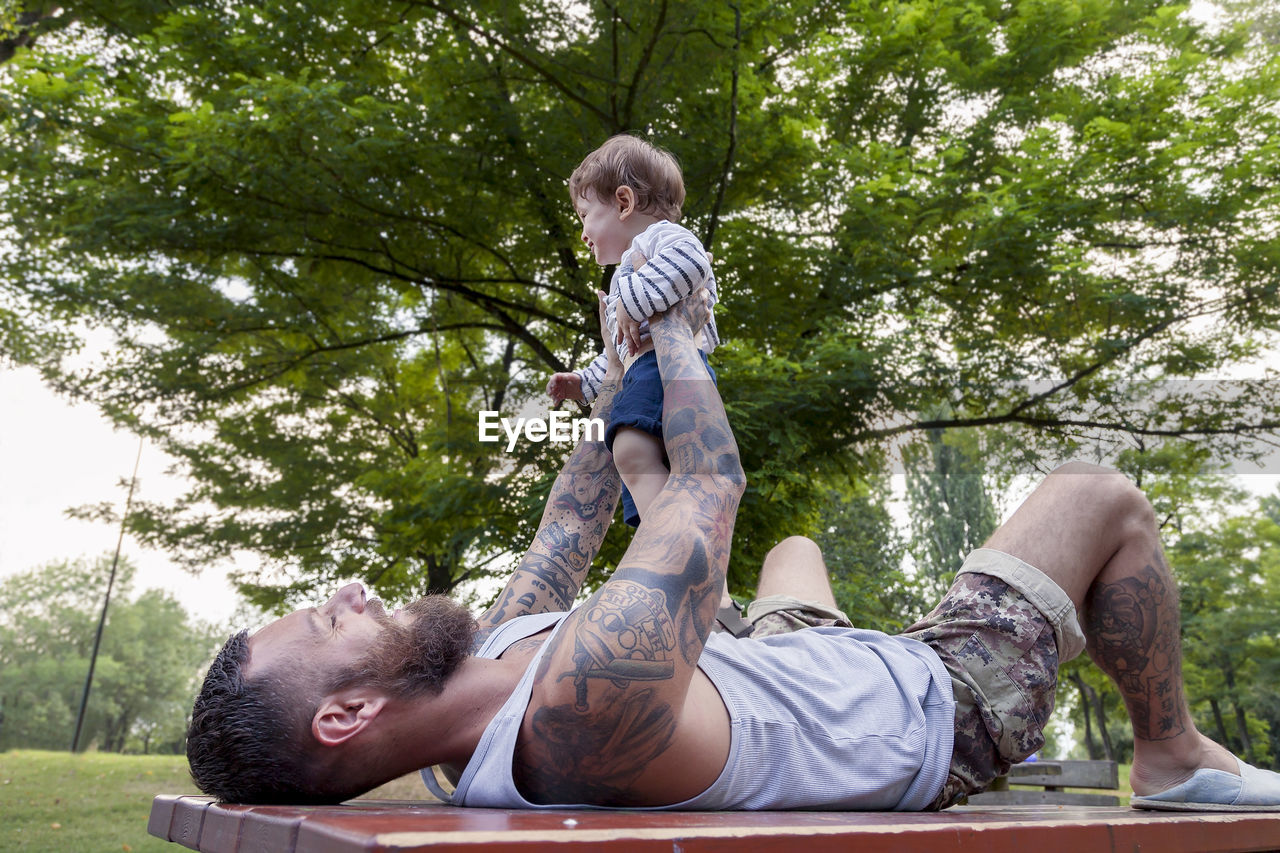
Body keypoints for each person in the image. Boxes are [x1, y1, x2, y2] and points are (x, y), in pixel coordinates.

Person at [187, 288, 1280, 813]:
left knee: (791, 551)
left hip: (784, 671)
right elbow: (709, 482)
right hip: (932, 703)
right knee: (1094, 496)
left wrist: (609, 372)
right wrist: (674, 324)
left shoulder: (475, 679)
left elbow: (578, 505)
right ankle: (1173, 752)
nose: (348, 589)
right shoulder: (568, 715)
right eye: (330, 620)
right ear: (343, 717)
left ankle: (781, 641)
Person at [545, 134, 719, 531]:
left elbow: (693, 264)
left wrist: (628, 302)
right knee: (641, 461)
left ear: (624, 203)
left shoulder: (660, 239)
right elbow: (621, 352)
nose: (583, 233)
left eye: (585, 215)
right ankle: (671, 537)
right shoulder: (629, 271)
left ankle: (668, 540)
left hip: (669, 370)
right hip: (646, 370)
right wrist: (583, 383)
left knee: (629, 448)